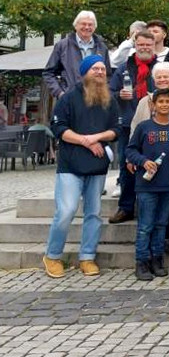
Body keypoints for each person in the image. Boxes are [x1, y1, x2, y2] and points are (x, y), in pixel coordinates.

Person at [42, 55, 118, 279]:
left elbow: (116, 129)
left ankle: (87, 256)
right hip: (71, 164)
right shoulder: (68, 98)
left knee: (93, 213)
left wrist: (97, 137)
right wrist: (87, 141)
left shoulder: (109, 99)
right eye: (95, 68)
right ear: (84, 72)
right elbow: (59, 128)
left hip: (97, 165)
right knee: (65, 211)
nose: (99, 72)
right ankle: (53, 255)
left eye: (103, 69)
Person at [125, 88, 169, 281]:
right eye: (161, 101)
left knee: (161, 225)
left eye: (168, 101)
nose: (164, 105)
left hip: (168, 184)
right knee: (145, 225)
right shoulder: (144, 127)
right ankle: (142, 261)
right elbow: (130, 150)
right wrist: (142, 161)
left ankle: (157, 259)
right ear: (153, 105)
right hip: (147, 186)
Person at [108, 30, 158, 225]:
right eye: (141, 45)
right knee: (126, 167)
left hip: (154, 123)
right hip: (128, 124)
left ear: (154, 46)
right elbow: (109, 93)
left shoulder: (161, 67)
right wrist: (119, 94)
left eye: (148, 45)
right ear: (135, 45)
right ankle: (126, 207)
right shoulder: (123, 68)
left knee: (154, 165)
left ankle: (151, 208)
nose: (144, 48)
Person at [43, 10, 111, 99]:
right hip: (70, 99)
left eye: (90, 24)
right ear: (76, 26)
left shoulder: (102, 47)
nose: (87, 27)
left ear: (95, 27)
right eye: (83, 24)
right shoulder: (63, 46)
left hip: (95, 100)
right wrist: (60, 93)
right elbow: (48, 73)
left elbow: (108, 75)